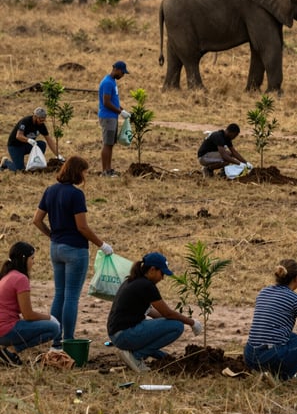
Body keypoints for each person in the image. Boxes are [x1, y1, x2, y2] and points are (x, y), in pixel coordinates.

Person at [32, 156, 113, 350]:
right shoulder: (76, 195)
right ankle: (68, 340)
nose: (86, 175)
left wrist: (52, 235)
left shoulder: (50, 191)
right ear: (77, 172)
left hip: (56, 248)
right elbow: (82, 227)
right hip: (75, 249)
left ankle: (55, 340)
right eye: (84, 171)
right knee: (71, 297)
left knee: (59, 294)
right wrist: (102, 245)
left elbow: (37, 220)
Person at [108, 252, 201, 373]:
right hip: (125, 335)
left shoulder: (132, 281)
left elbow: (152, 311)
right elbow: (167, 313)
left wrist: (165, 357)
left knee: (166, 325)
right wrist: (192, 322)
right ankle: (136, 356)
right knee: (177, 326)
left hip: (116, 334)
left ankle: (140, 354)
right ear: (152, 269)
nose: (162, 278)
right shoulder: (146, 285)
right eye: (162, 273)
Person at [244, 258, 297, 388]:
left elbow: (279, 315)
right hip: (271, 357)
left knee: (292, 336)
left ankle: (277, 374)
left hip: (250, 356)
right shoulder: (295, 299)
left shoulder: (263, 292)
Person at [0, 242, 60, 364]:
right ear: (24, 259)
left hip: (4, 326)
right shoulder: (21, 279)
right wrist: (50, 317)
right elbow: (28, 315)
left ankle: (7, 352)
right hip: (5, 330)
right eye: (32, 258)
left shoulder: (6, 275)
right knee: (54, 328)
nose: (34, 262)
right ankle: (12, 351)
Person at [98, 60, 131, 177]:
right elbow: (106, 102)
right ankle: (105, 171)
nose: (123, 75)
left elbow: (114, 101)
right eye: (122, 72)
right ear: (116, 69)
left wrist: (122, 110)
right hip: (108, 117)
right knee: (107, 143)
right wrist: (120, 112)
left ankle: (109, 169)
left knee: (111, 144)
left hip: (113, 116)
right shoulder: (107, 83)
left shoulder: (112, 82)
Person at [2, 107, 60, 172]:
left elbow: (49, 140)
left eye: (43, 120)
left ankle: (36, 163)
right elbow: (18, 136)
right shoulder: (25, 122)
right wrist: (28, 140)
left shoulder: (41, 125)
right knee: (20, 170)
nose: (42, 122)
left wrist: (58, 155)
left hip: (27, 145)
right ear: (35, 116)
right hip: (15, 147)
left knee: (42, 144)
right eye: (40, 120)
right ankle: (6, 162)